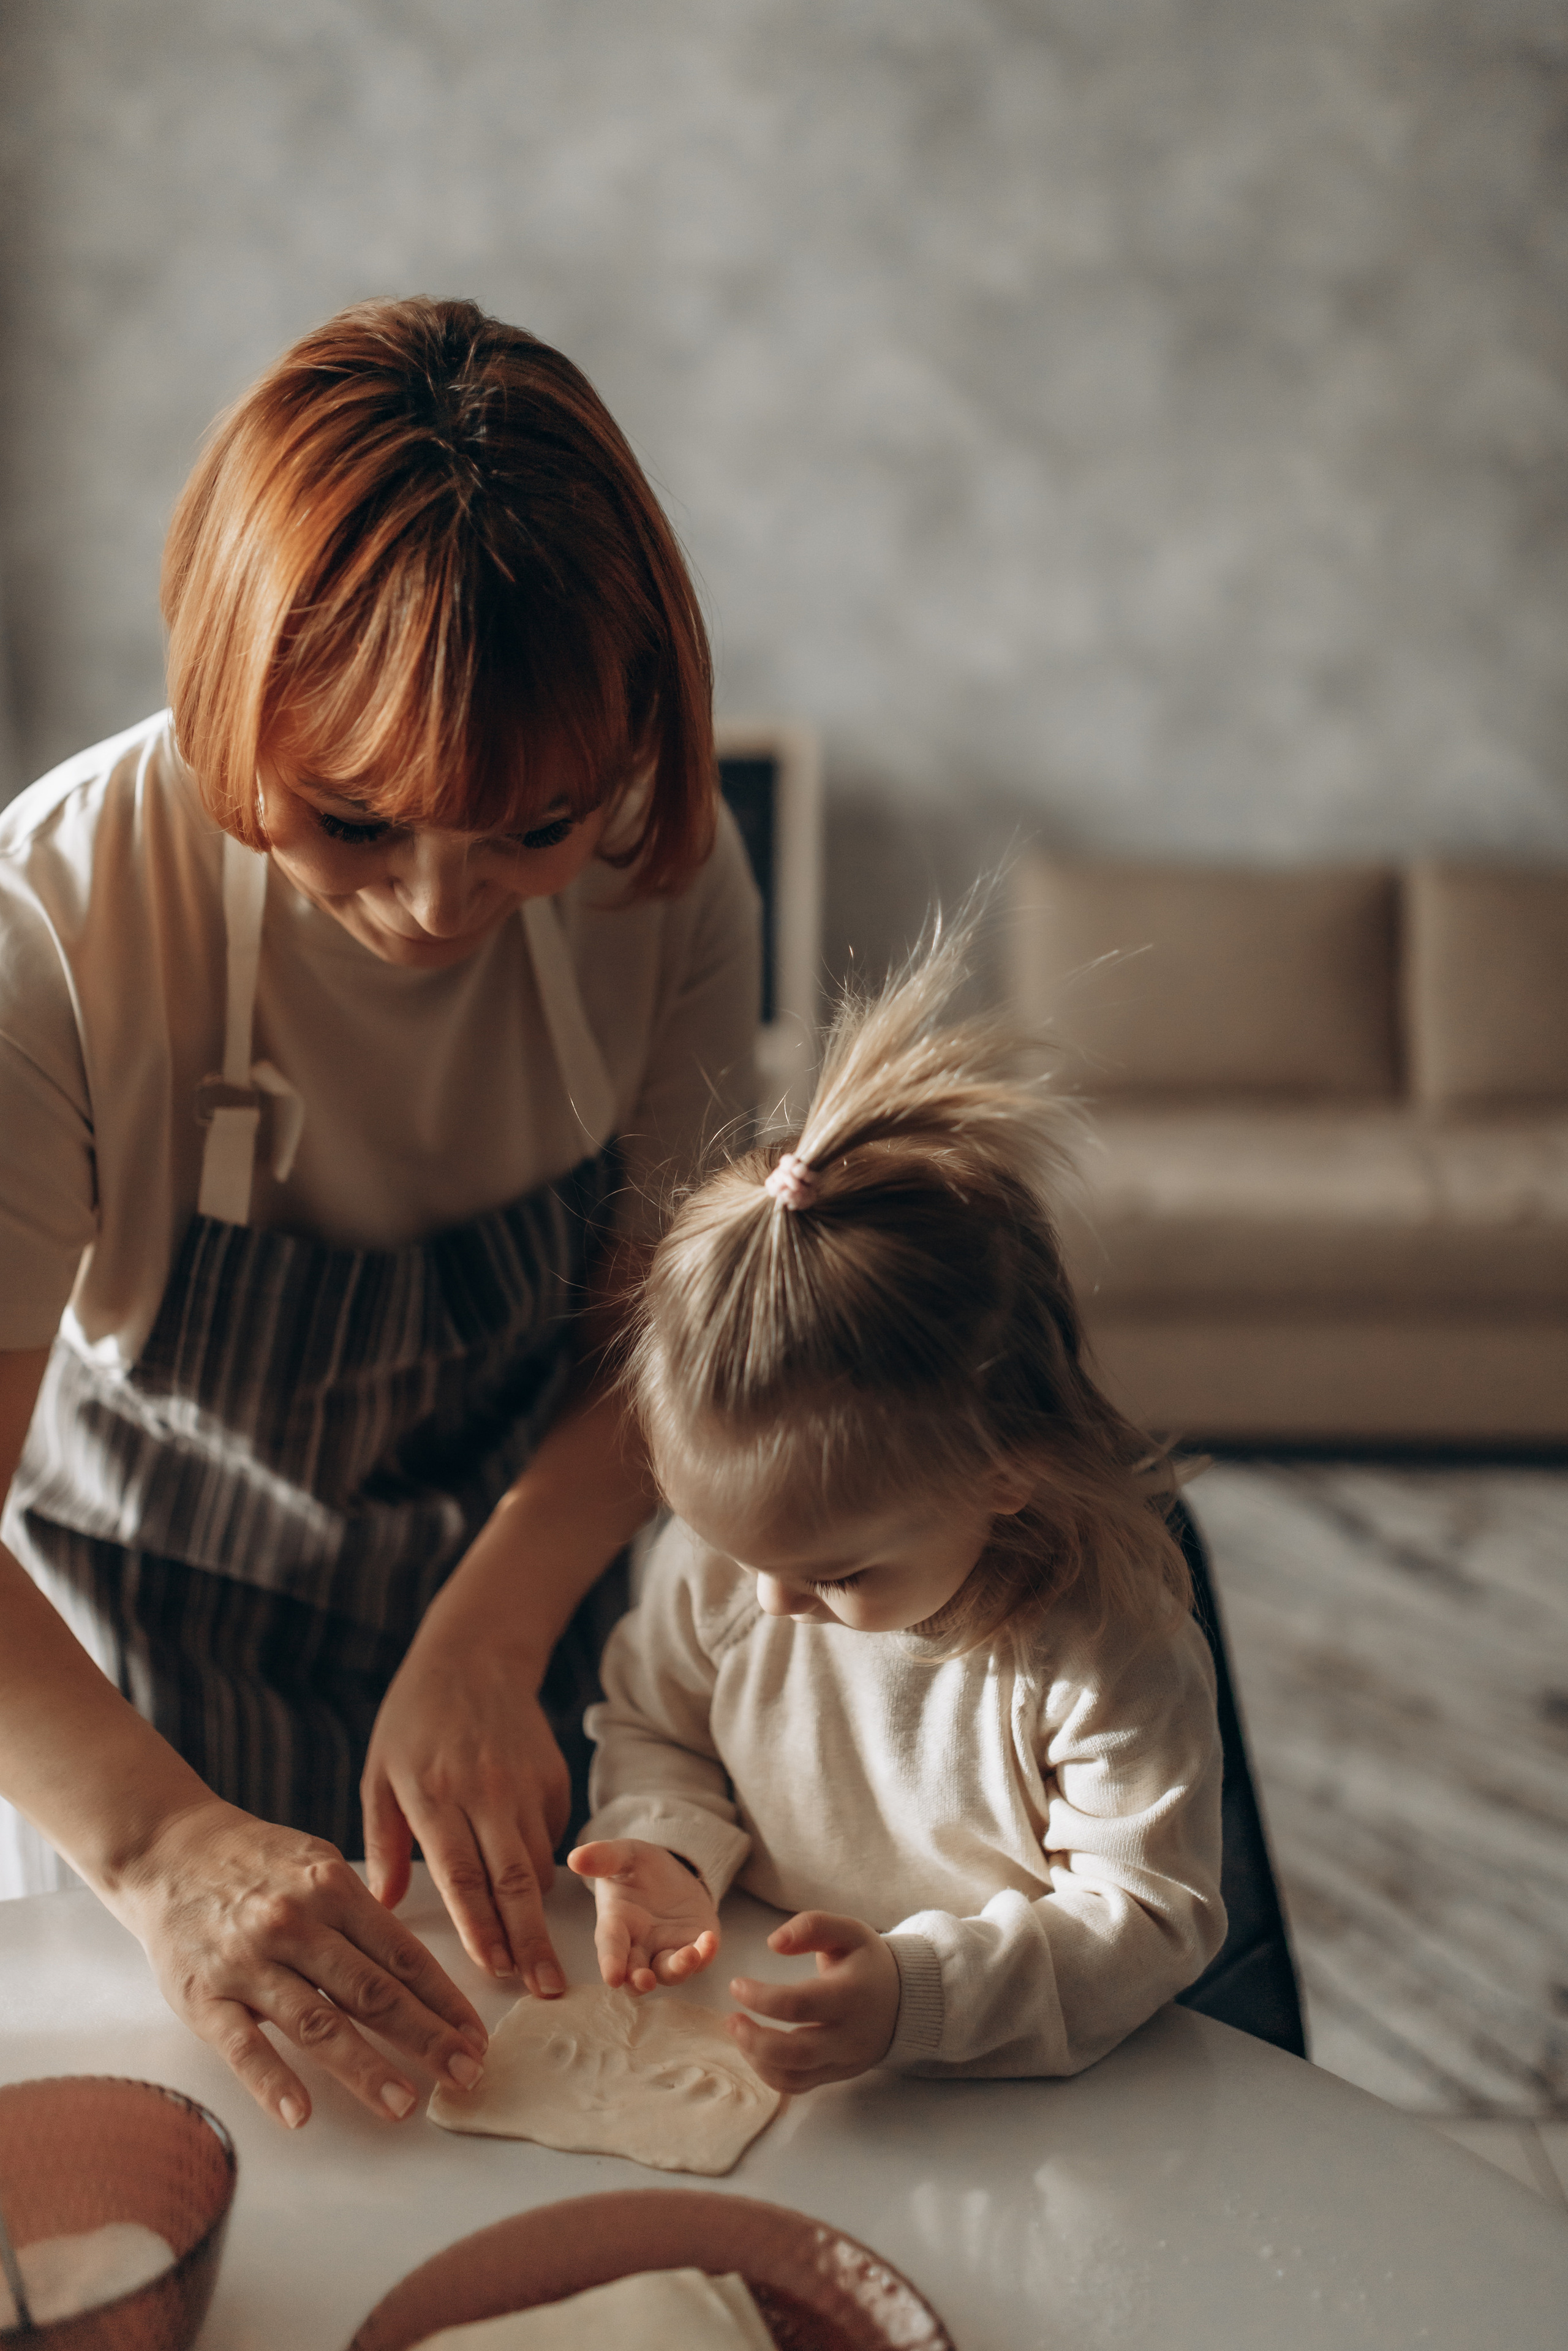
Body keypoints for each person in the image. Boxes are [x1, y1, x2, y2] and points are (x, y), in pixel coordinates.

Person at [0, 297, 760, 2130]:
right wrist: (165, 1841)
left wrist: (492, 1630)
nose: (440, 900)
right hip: (126, 1687)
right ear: (224, 693)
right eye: (354, 822)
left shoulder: (672, 867)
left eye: (530, 825)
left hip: (530, 1633)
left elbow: (663, 1343)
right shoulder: (61, 920)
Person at [568, 927, 1225, 2087]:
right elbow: (656, 1726)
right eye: (735, 1550)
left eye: (839, 1573)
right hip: (765, 2043)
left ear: (1004, 1469)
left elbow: (1150, 1917)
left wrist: (916, 1998)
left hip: (1020, 2094)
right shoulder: (730, 1570)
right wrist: (669, 1848)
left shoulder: (1101, 1651)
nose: (770, 1600)